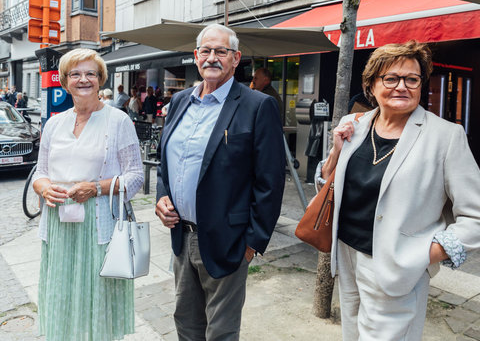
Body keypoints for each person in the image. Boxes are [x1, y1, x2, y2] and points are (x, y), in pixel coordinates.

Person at [315, 40, 480, 341]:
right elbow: (327, 184)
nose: (401, 86)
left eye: (411, 79)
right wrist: (336, 153)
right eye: (390, 78)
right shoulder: (355, 124)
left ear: (420, 85)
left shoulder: (445, 136)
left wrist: (424, 254)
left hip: (399, 266)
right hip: (347, 256)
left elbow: (476, 215)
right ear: (372, 85)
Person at [155, 23, 285, 340]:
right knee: (185, 322)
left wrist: (252, 243)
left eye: (221, 51)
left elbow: (271, 181)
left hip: (230, 240)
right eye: (206, 51)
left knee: (221, 332)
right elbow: (164, 164)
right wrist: (161, 197)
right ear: (196, 56)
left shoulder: (258, 105)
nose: (212, 57)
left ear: (235, 58)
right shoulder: (180, 101)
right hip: (181, 237)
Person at [32, 48, 144, 341]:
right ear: (65, 81)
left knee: (97, 308)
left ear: (100, 80)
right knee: (62, 301)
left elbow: (135, 177)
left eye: (90, 74)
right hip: (59, 230)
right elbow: (40, 172)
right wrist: (44, 188)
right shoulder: (54, 123)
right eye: (76, 74)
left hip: (98, 231)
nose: (83, 80)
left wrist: (96, 188)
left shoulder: (117, 121)